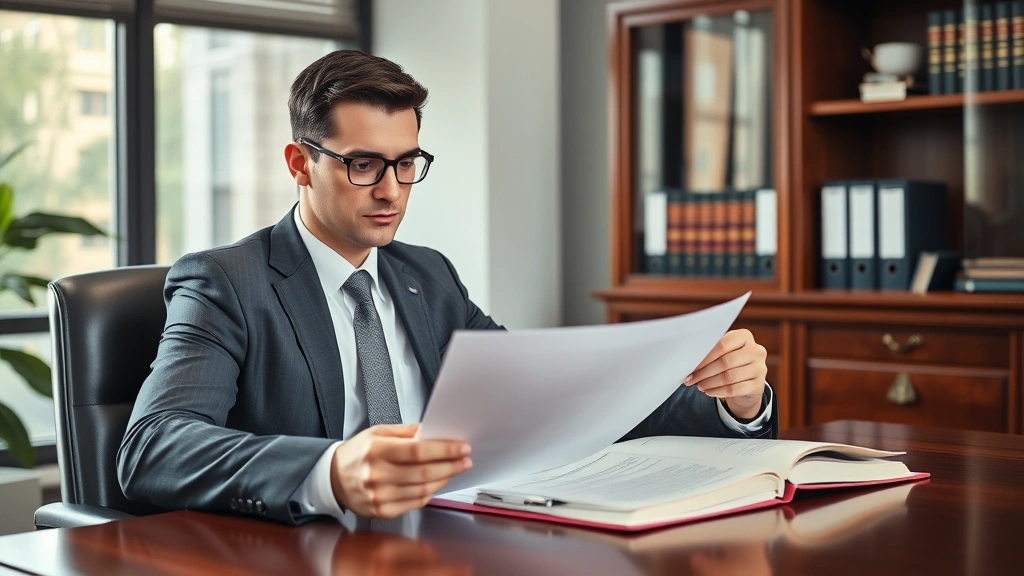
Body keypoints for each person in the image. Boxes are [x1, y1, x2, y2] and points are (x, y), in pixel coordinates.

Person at [117, 50, 776, 526]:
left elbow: (553, 401)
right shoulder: (228, 281)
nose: (391, 190)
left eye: (407, 163)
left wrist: (733, 403)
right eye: (363, 164)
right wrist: (332, 472)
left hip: (447, 541)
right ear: (299, 163)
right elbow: (154, 446)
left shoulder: (424, 275)